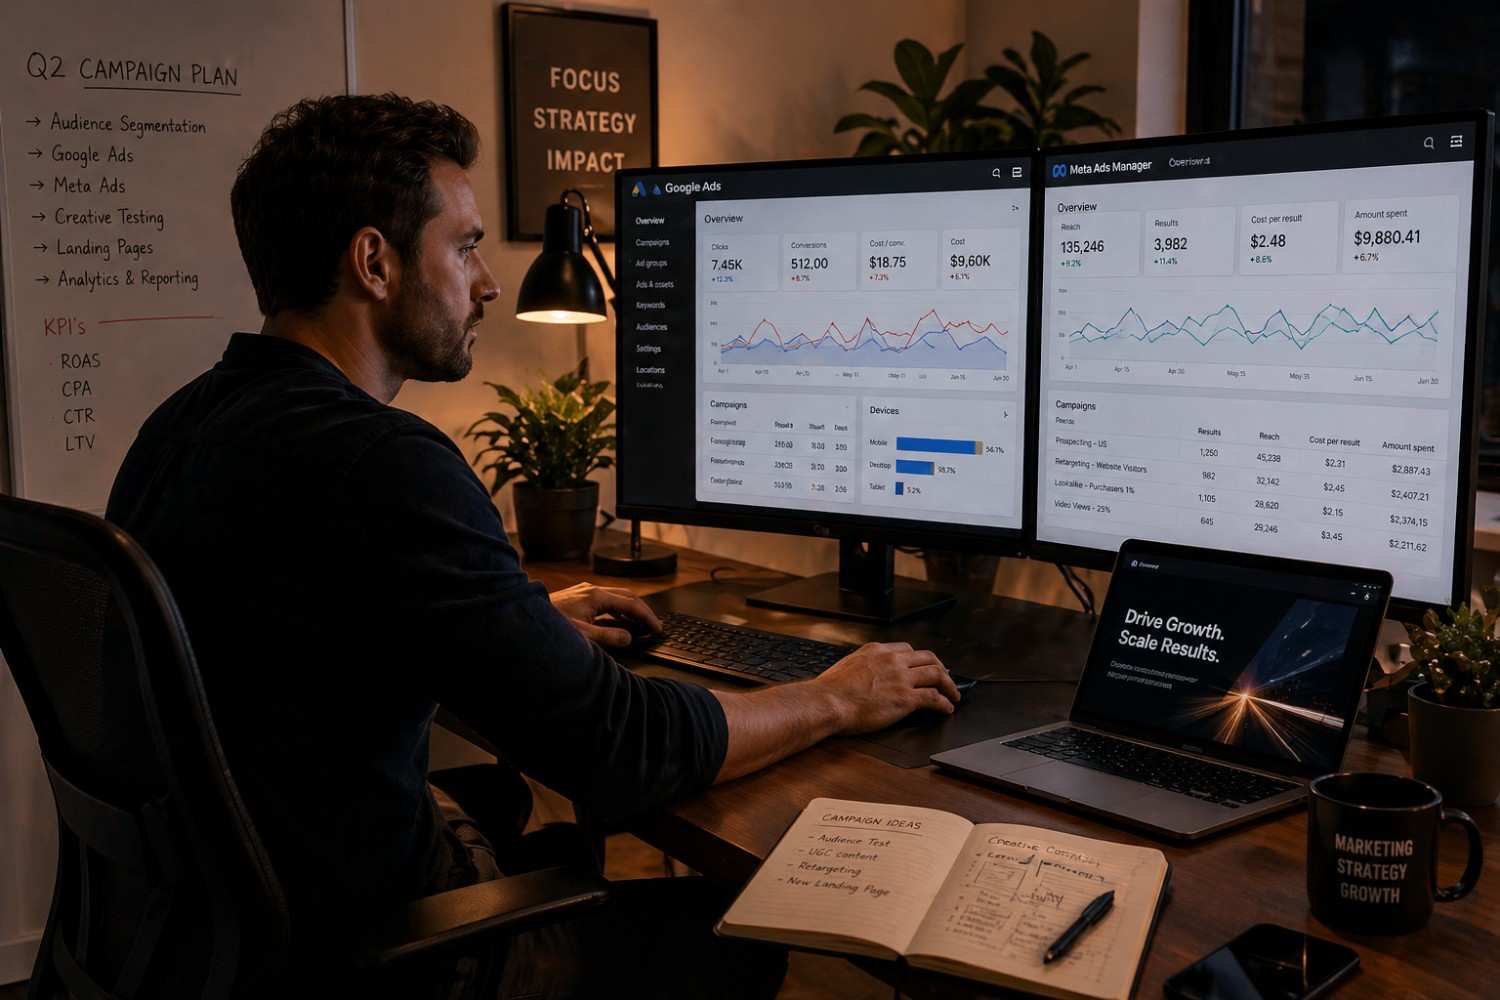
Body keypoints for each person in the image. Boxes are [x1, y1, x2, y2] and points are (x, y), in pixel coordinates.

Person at [106, 93, 959, 998]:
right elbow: (621, 747)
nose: (486, 283)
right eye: (465, 247)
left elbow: (297, 632)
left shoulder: (184, 424)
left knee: (519, 810)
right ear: (375, 262)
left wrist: (519, 620)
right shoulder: (381, 460)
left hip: (210, 934)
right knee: (728, 933)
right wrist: (834, 697)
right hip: (374, 953)